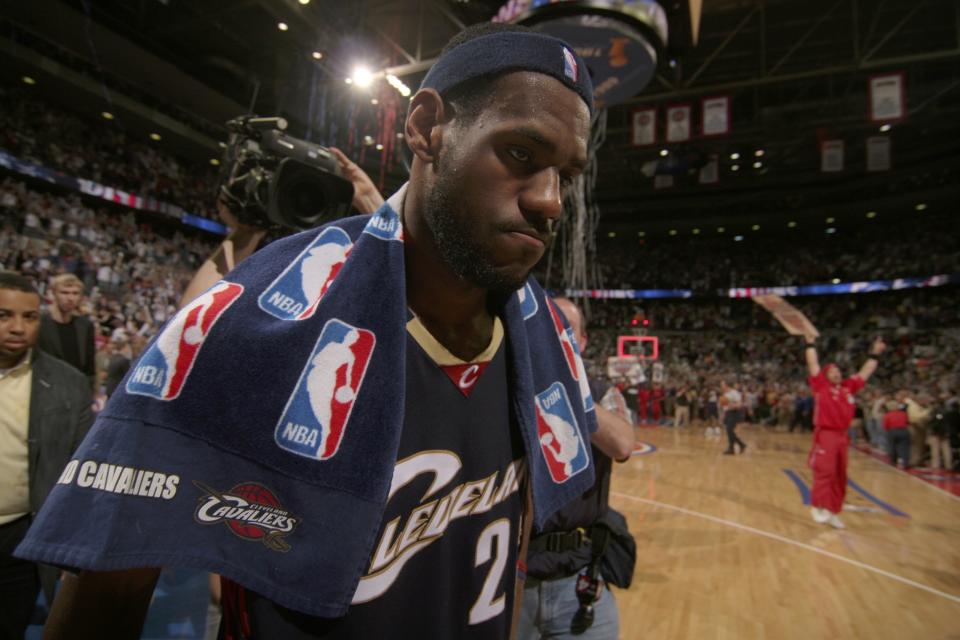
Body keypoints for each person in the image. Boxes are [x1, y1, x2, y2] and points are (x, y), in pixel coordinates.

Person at [17, 23, 601, 639]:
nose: (551, 200)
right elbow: (109, 589)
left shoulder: (544, 338)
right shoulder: (253, 314)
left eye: (567, 175)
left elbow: (507, 568)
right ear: (429, 127)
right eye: (520, 154)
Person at [517, 298, 634, 640]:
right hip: (514, 575)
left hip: (579, 575)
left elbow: (623, 444)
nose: (555, 340)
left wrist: (569, 391)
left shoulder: (601, 392)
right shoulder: (510, 388)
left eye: (566, 332)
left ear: (581, 341)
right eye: (547, 332)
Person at [0, 271, 93, 639]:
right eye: (3, 315)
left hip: (20, 536)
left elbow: (79, 474)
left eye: (29, 316)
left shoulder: (70, 385)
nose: (17, 328)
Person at [804, 334, 886, 528]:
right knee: (825, 471)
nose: (837, 373)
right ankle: (817, 505)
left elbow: (865, 372)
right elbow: (813, 363)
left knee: (840, 475)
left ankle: (832, 510)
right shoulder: (820, 386)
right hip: (826, 434)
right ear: (826, 375)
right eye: (833, 371)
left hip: (843, 436)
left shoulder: (848, 388)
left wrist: (875, 354)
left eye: (838, 371)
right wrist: (810, 343)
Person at [36, 273, 96, 388]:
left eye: (75, 293)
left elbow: (90, 367)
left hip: (76, 391)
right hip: (45, 389)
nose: (70, 298)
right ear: (53, 294)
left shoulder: (85, 326)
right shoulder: (39, 322)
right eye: (64, 292)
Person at [720, 380, 746, 455]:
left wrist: (732, 406)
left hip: (734, 413)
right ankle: (741, 444)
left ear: (727, 385)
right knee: (729, 431)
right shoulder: (725, 394)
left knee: (729, 430)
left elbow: (739, 404)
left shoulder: (734, 393)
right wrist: (723, 415)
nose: (721, 386)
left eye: (722, 385)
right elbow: (725, 406)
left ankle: (732, 448)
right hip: (728, 413)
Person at [882, 399, 911, 469]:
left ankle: (893, 461)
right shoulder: (903, 414)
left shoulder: (887, 415)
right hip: (903, 431)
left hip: (892, 431)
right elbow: (907, 422)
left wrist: (888, 431)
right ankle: (905, 463)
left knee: (892, 446)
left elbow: (885, 425)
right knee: (904, 447)